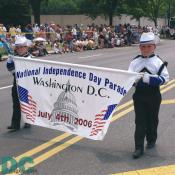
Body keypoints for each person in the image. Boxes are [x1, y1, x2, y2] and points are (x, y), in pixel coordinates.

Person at [128, 32, 169, 159]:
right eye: (143, 46)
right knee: (139, 121)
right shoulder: (135, 62)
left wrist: (150, 79)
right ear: (139, 47)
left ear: (154, 47)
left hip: (153, 95)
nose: (146, 49)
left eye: (149, 46)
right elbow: (127, 77)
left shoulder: (158, 62)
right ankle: (138, 147)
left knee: (152, 119)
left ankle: (151, 139)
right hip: (139, 96)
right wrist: (133, 80)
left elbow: (165, 79)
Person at [6, 36, 31, 131]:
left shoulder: (30, 58)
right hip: (16, 82)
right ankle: (15, 124)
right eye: (18, 47)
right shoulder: (14, 57)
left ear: (26, 47)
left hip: (27, 84)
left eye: (22, 47)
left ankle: (28, 121)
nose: (20, 49)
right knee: (16, 104)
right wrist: (10, 61)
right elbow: (11, 70)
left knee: (26, 104)